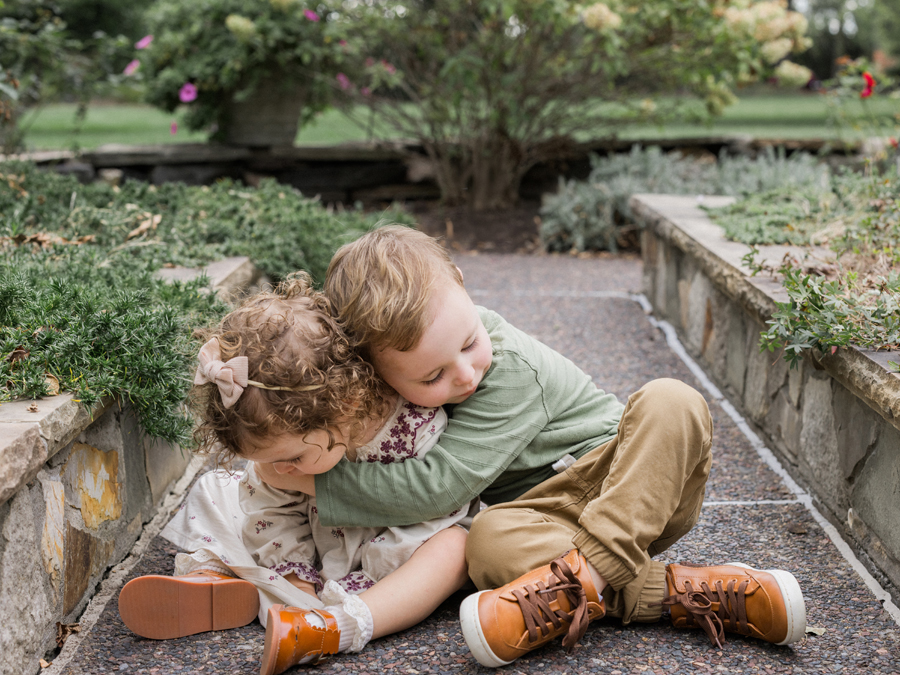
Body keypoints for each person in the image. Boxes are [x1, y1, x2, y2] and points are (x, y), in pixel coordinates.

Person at [265, 225, 807, 668]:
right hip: (545, 520)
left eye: (470, 342)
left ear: (461, 282)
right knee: (486, 543)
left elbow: (440, 486)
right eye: (432, 377)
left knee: (672, 399)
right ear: (376, 371)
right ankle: (690, 591)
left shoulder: (512, 368)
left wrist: (319, 481)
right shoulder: (392, 383)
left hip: (627, 482)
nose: (465, 375)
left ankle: (584, 580)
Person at [117, 273, 475, 675]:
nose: (282, 470)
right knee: (217, 488)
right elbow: (272, 513)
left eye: (294, 458)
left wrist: (362, 576)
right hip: (311, 558)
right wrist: (297, 575)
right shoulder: (286, 456)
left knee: (453, 548)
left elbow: (431, 509)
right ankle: (214, 579)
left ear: (347, 403)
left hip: (388, 557)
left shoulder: (412, 429)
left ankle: (333, 627)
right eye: (271, 459)